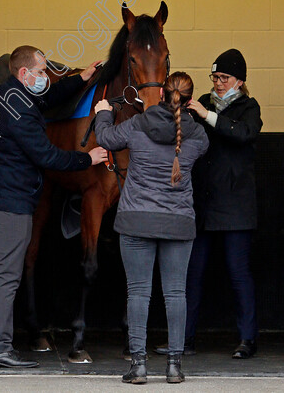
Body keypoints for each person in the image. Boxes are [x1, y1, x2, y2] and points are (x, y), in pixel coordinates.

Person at [0, 46, 108, 369]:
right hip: (11, 204)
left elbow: (49, 97)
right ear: (25, 74)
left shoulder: (10, 94)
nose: (44, 78)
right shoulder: (20, 111)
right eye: (41, 72)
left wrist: (80, 79)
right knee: (7, 275)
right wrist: (88, 158)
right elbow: (47, 156)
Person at [94, 72, 209, 384]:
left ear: (160, 94)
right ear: (188, 101)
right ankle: (174, 366)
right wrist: (195, 114)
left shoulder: (137, 124)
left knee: (138, 292)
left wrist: (103, 112)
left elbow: (105, 139)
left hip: (136, 220)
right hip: (178, 222)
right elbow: (202, 143)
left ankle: (140, 366)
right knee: (175, 293)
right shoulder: (196, 135)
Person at [178, 49, 262, 359]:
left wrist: (207, 115)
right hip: (203, 205)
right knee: (192, 274)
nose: (218, 83)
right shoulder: (202, 101)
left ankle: (247, 339)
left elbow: (243, 134)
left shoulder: (248, 107)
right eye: (214, 78)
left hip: (236, 208)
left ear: (239, 80)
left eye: (224, 78)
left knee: (238, 274)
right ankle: (183, 340)